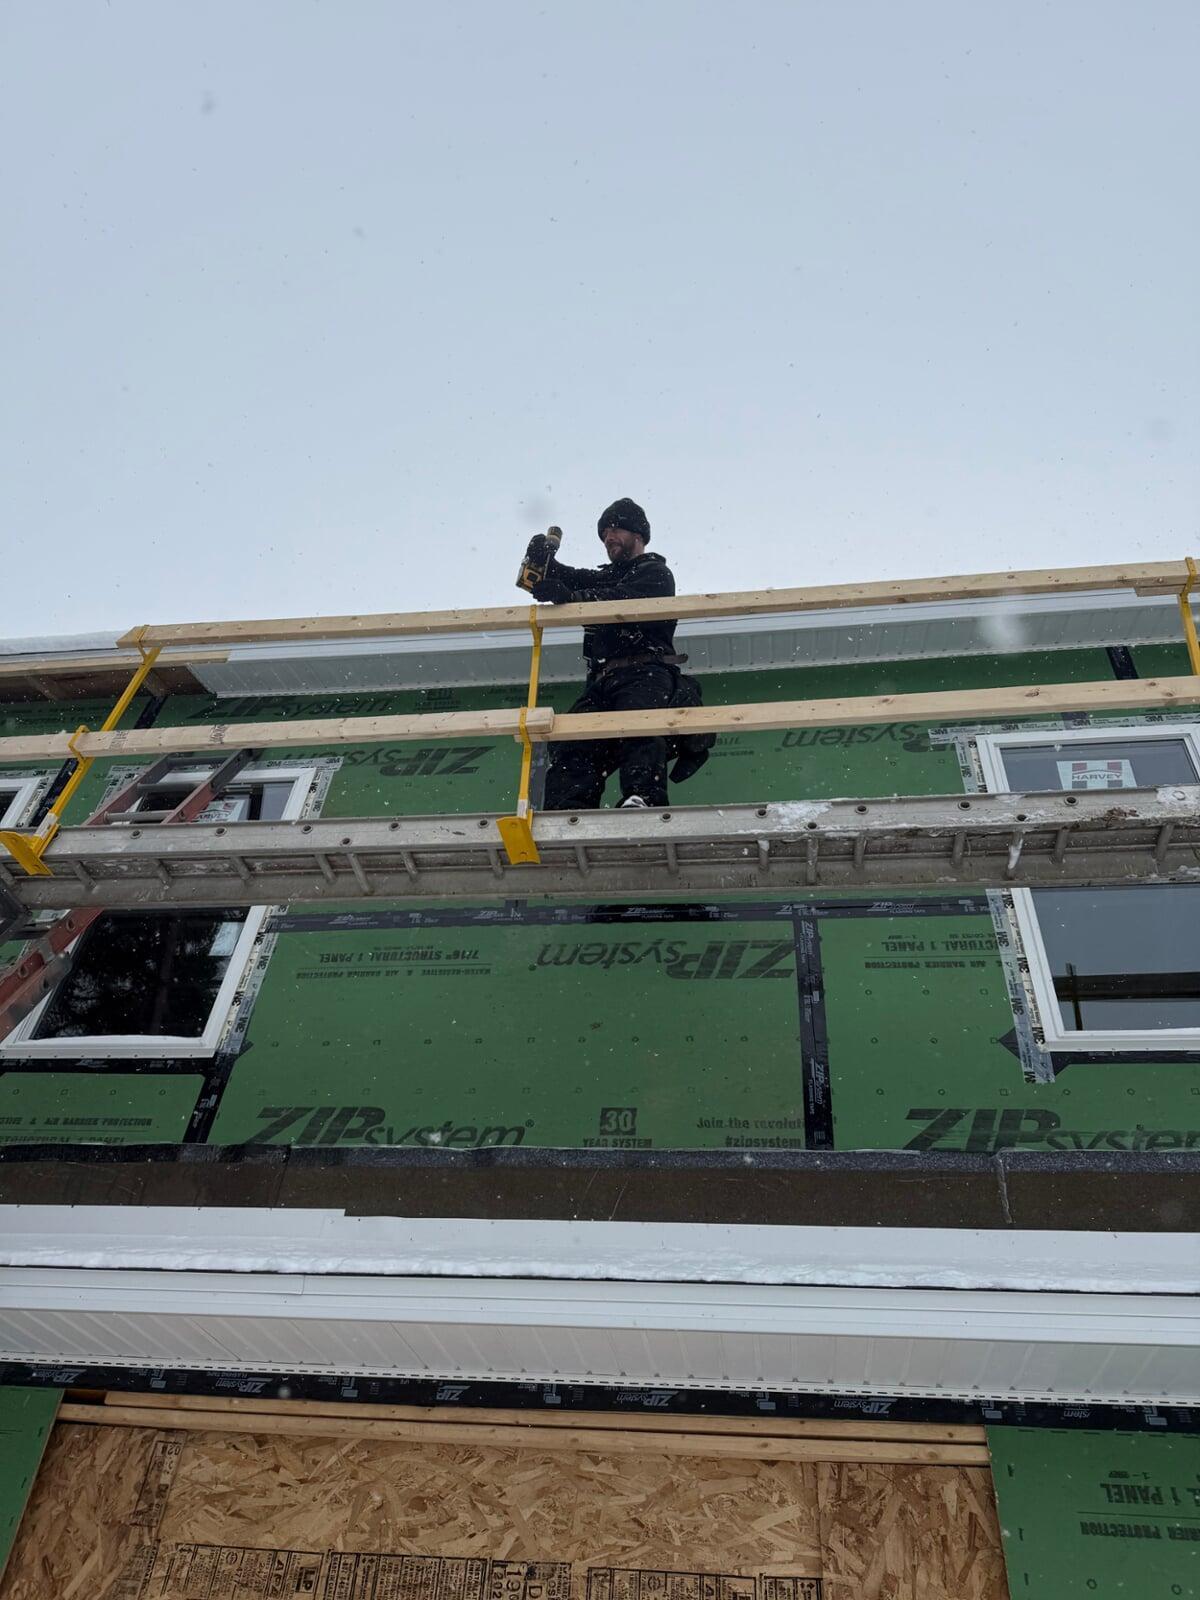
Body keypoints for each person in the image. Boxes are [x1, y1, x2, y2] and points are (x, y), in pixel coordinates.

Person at [522, 497, 682, 810]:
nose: (609, 537)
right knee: (574, 738)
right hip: (603, 678)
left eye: (616, 529)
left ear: (638, 535)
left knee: (639, 728)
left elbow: (621, 598)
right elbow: (569, 578)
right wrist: (542, 563)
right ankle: (569, 808)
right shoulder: (607, 576)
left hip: (644, 672)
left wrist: (571, 596)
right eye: (604, 533)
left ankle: (644, 799)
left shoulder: (656, 573)